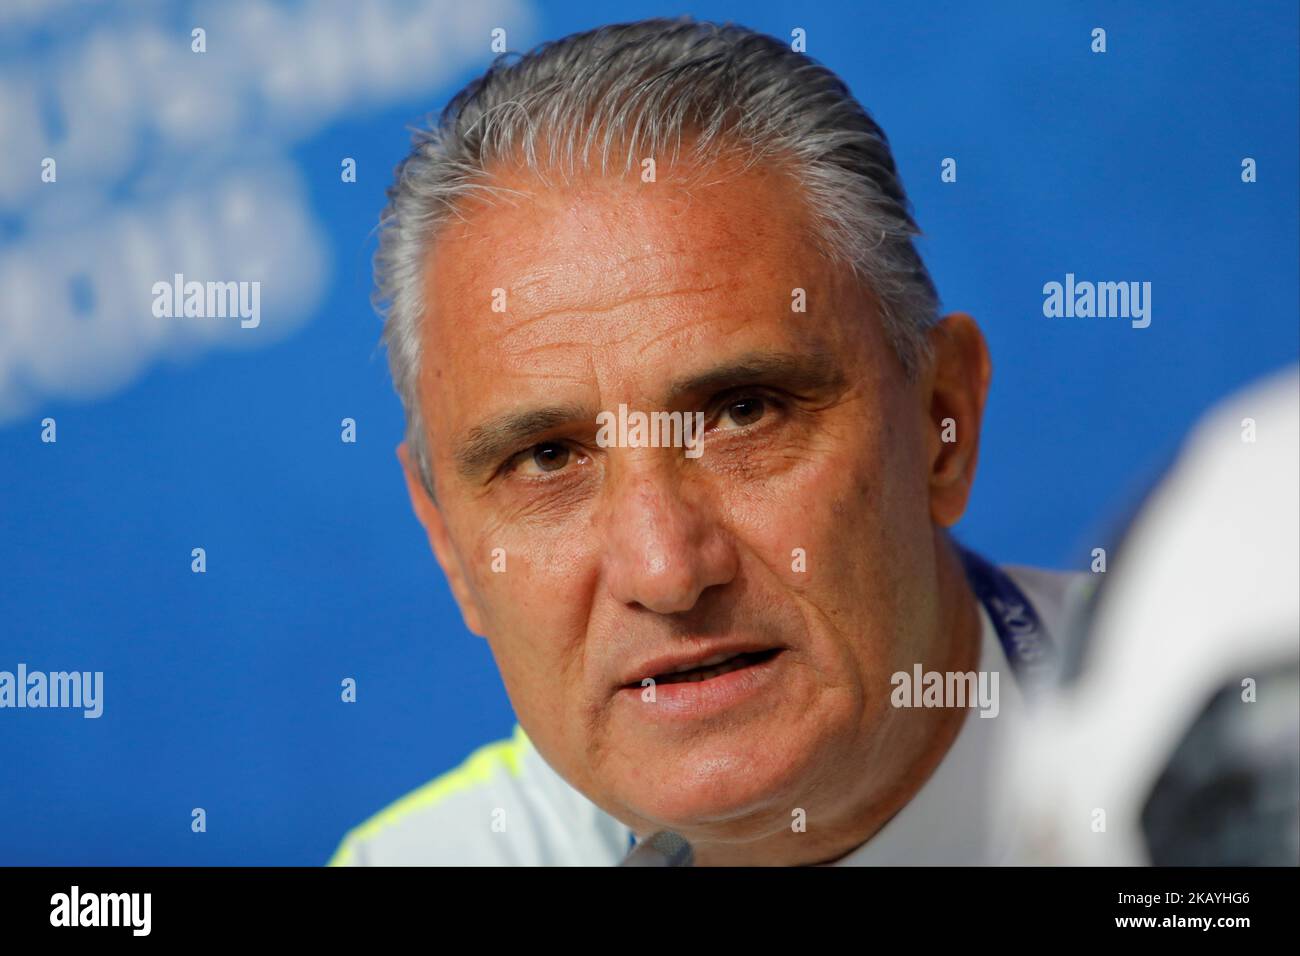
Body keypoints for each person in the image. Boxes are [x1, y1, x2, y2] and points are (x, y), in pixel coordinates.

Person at [329, 16, 1088, 866]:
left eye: (743, 413)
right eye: (547, 458)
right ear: (449, 547)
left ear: (944, 423)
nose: (666, 571)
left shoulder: (1227, 739)